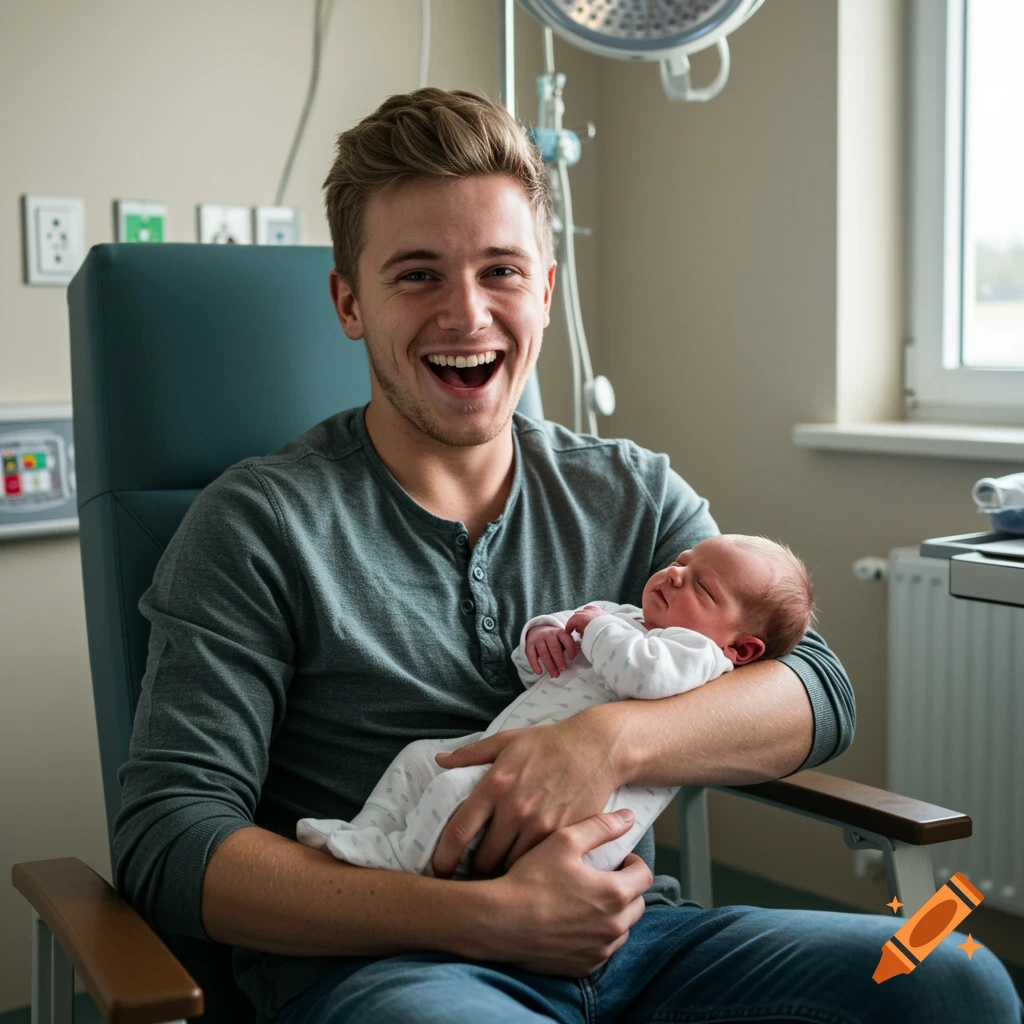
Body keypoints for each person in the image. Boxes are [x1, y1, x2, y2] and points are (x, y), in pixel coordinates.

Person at [112, 88, 1024, 1024]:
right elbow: (168, 841)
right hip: (401, 971)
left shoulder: (630, 488)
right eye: (417, 275)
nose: (467, 315)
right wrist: (484, 918)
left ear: (545, 289)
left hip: (642, 942)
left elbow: (818, 690)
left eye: (501, 270)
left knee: (952, 971)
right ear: (350, 302)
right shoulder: (256, 525)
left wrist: (608, 741)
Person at [296, 534, 814, 877]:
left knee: (454, 788)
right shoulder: (625, 617)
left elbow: (644, 673)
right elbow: (539, 666)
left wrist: (593, 626)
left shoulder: (699, 659)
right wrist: (543, 635)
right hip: (502, 757)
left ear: (741, 649)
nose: (675, 574)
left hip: (579, 833)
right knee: (419, 758)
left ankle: (404, 865)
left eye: (701, 585)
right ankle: (370, 833)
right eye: (681, 561)